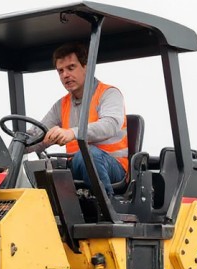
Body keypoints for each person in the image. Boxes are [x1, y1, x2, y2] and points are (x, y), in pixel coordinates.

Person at [27, 43, 128, 196]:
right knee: (45, 169)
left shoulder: (109, 94)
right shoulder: (61, 105)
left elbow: (110, 124)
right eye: (60, 71)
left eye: (71, 67)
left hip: (113, 166)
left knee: (88, 154)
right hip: (79, 163)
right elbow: (38, 133)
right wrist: (19, 147)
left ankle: (105, 209)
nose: (65, 75)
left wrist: (72, 133)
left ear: (86, 67)